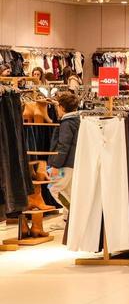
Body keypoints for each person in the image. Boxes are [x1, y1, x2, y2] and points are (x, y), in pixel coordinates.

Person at [45, 90, 81, 229]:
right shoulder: (76, 120)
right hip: (72, 162)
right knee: (69, 190)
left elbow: (63, 146)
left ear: (62, 107)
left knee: (54, 188)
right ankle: (67, 220)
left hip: (63, 164)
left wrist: (55, 165)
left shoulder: (67, 123)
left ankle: (74, 213)